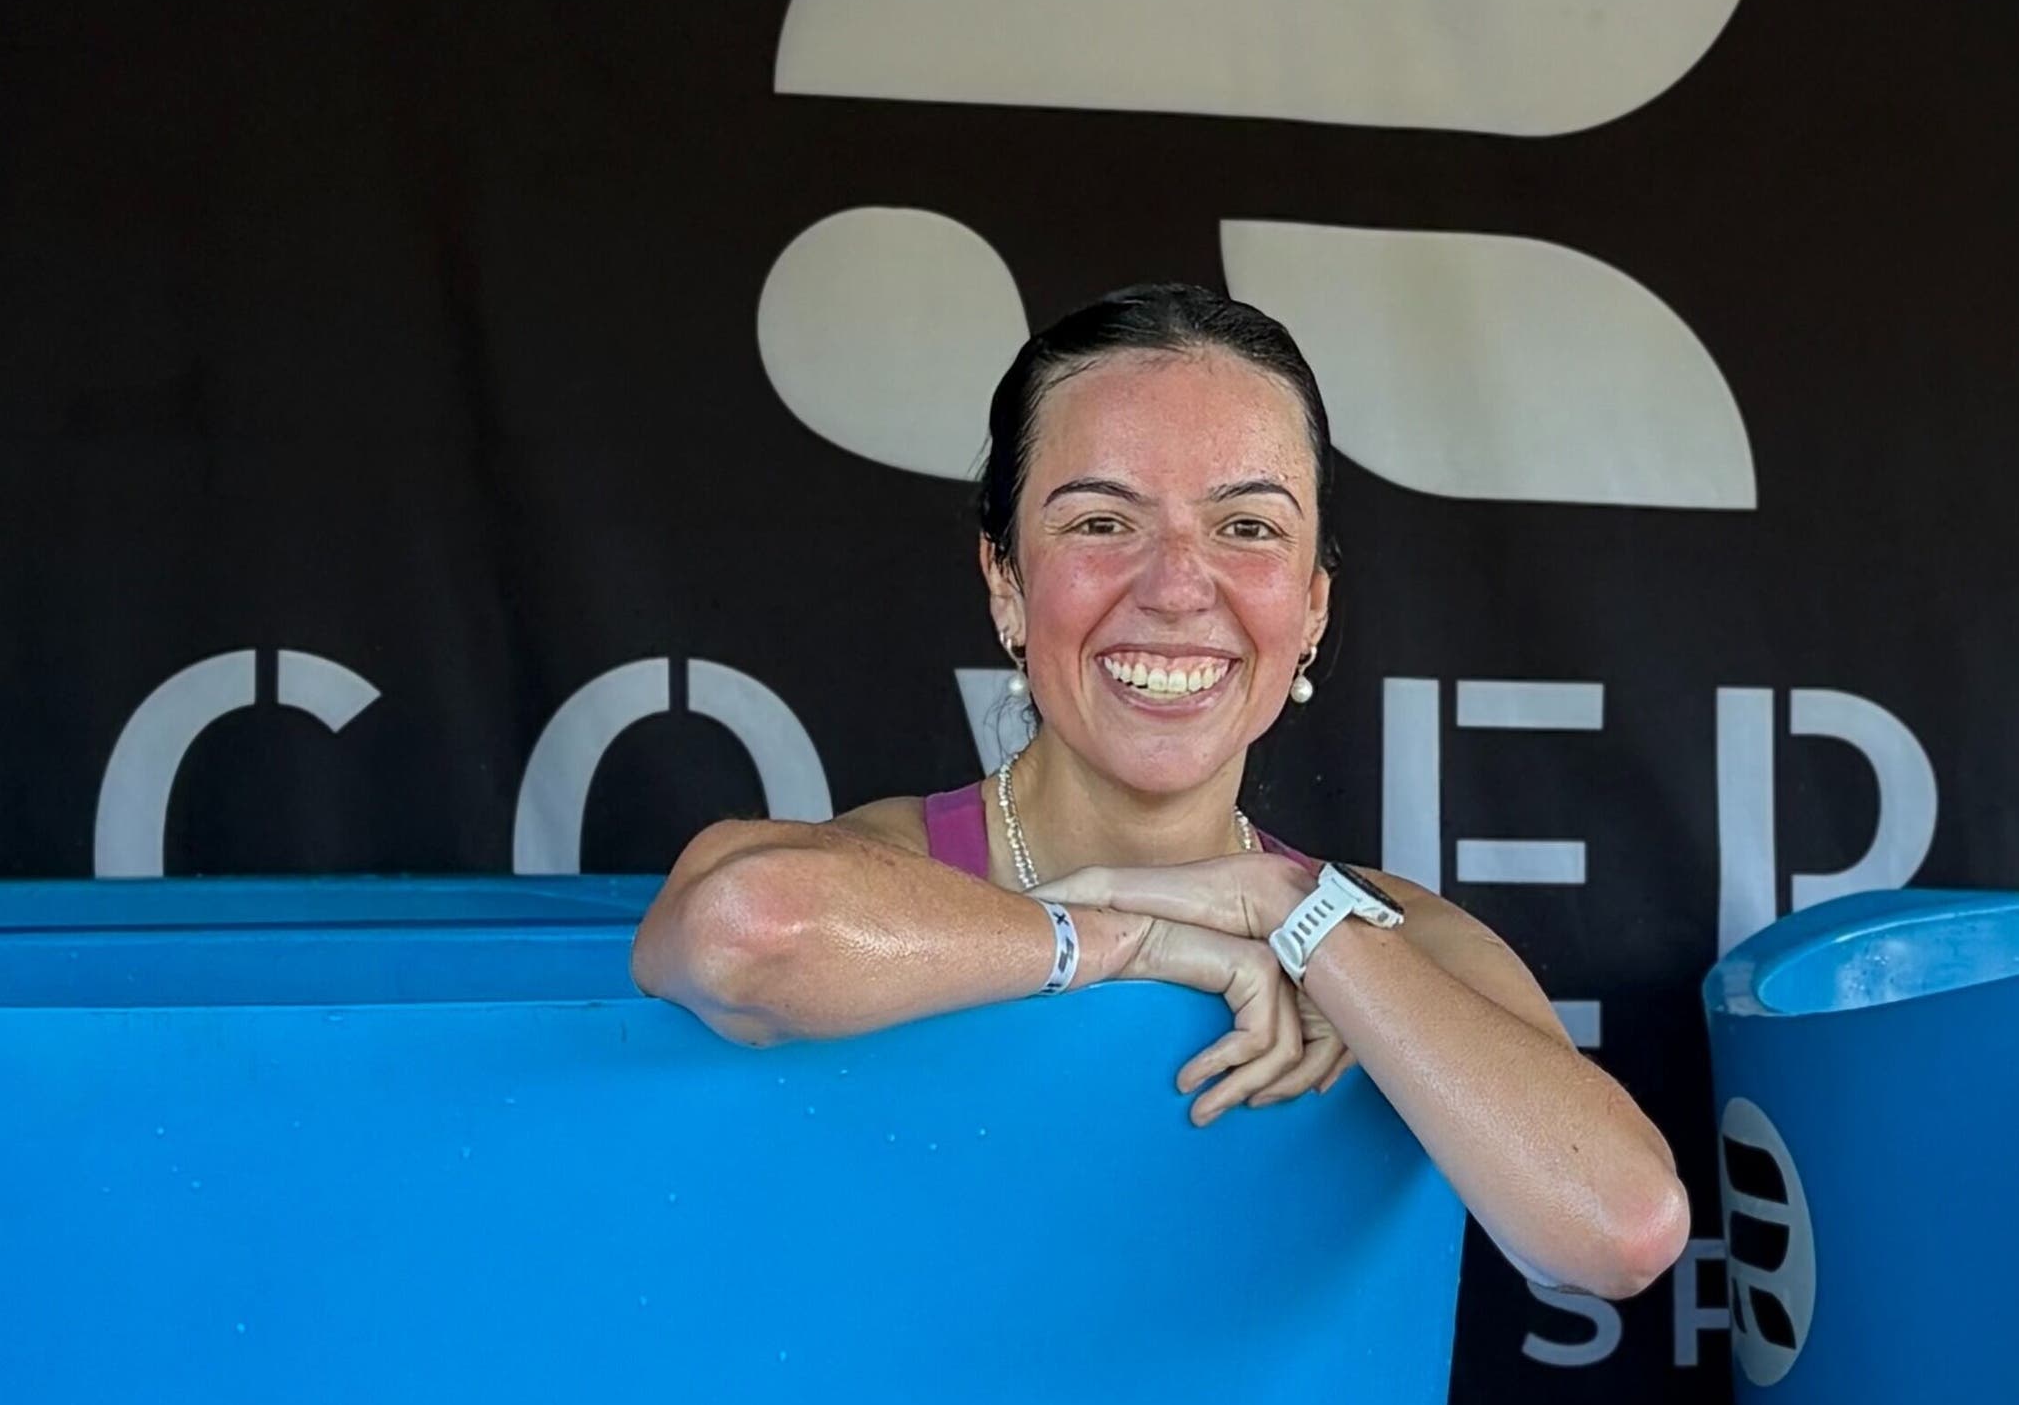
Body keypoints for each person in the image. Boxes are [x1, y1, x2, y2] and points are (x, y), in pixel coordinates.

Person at [632, 282, 1690, 1299]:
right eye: (1101, 523)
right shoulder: (893, 871)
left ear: (1314, 605)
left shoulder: (1380, 932)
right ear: (1006, 579)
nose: (1179, 586)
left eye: (1248, 528)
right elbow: (743, 925)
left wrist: (1296, 918)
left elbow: (1617, 1231)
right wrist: (1122, 940)